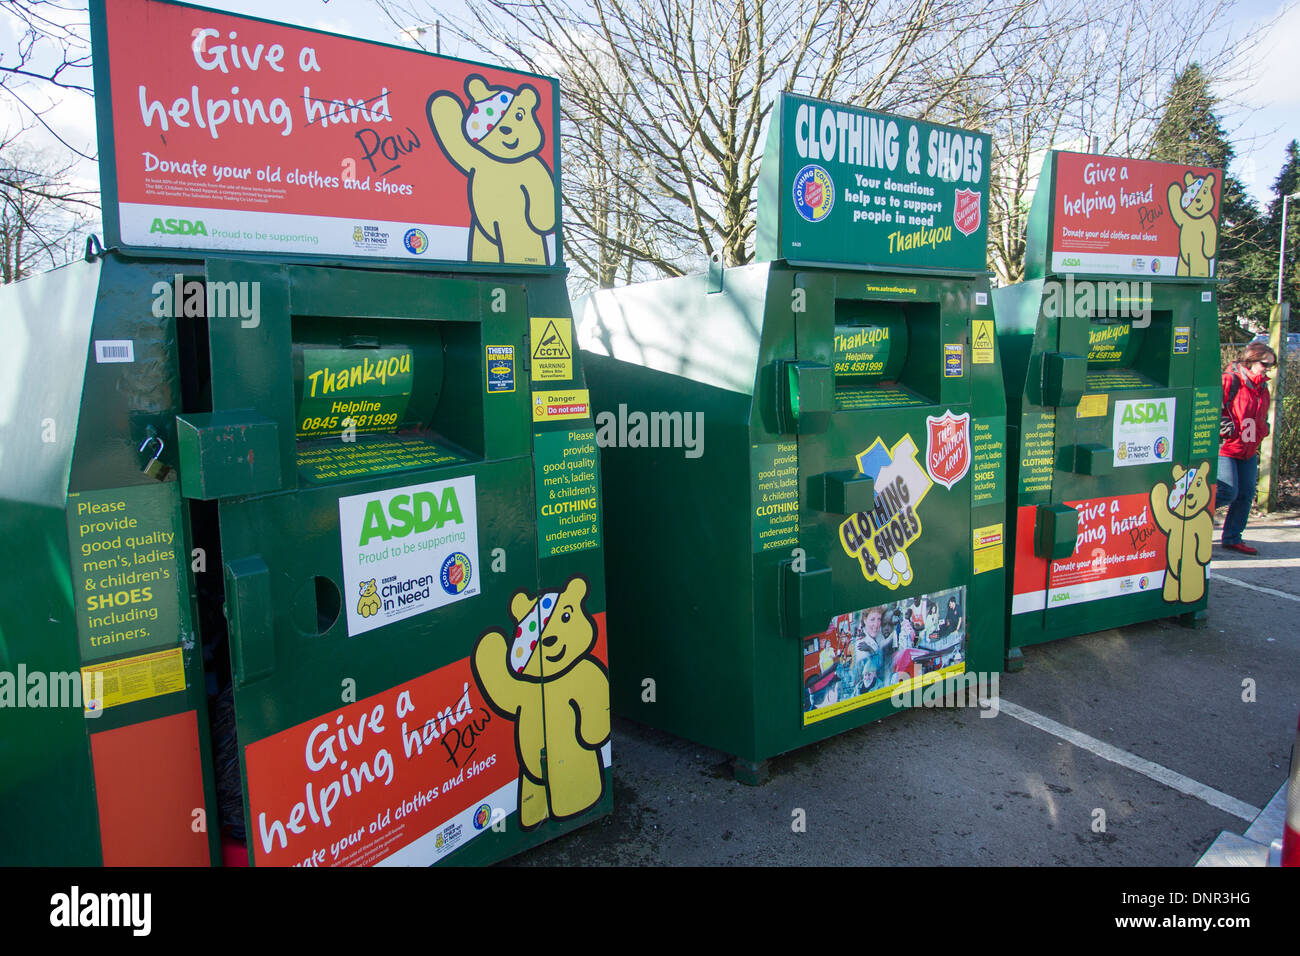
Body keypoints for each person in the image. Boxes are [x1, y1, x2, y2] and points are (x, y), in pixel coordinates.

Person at [1217, 342, 1275, 554]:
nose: (1267, 369)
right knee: (1227, 491)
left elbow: (1261, 416)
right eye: (1264, 364)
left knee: (1246, 493)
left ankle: (1232, 537)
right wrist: (1222, 426)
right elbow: (1208, 406)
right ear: (1250, 360)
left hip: (1248, 449)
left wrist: (1263, 430)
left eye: (1271, 365)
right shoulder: (1230, 380)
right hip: (1226, 448)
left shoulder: (1262, 388)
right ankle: (1188, 514)